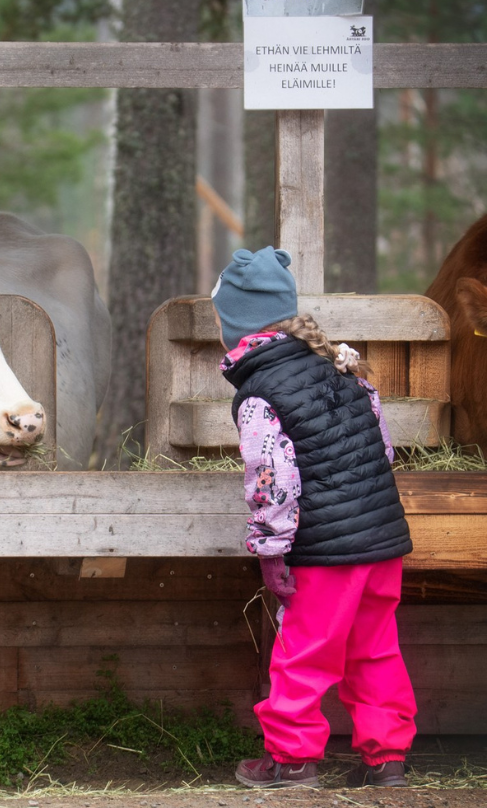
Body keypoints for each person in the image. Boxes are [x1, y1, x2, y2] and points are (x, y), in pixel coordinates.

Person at [211, 246, 417, 790]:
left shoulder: (260, 393)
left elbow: (271, 481)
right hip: (381, 542)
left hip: (325, 553)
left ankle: (293, 759)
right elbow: (383, 451)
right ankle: (386, 761)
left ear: (237, 325)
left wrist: (272, 549)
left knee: (304, 653)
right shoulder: (342, 368)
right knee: (375, 650)